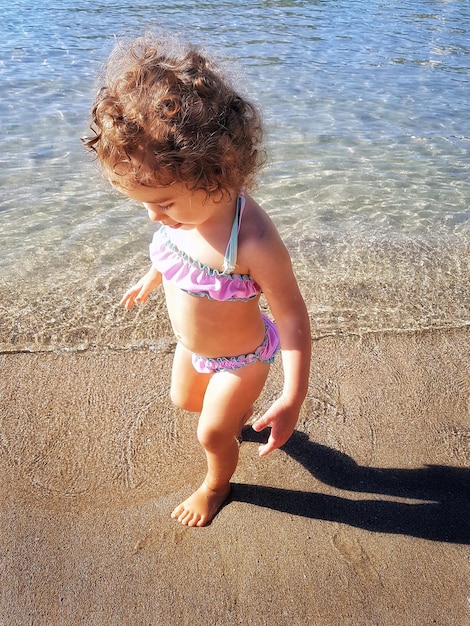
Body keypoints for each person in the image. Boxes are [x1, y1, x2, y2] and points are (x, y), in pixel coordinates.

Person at [83, 33, 311, 527]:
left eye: (162, 202)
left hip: (241, 357)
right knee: (184, 399)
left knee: (210, 433)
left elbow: (292, 317)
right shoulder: (180, 219)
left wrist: (293, 395)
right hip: (193, 347)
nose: (152, 216)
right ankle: (234, 422)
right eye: (144, 203)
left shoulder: (251, 241)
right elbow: (171, 254)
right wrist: (151, 276)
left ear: (221, 174)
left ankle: (216, 485)